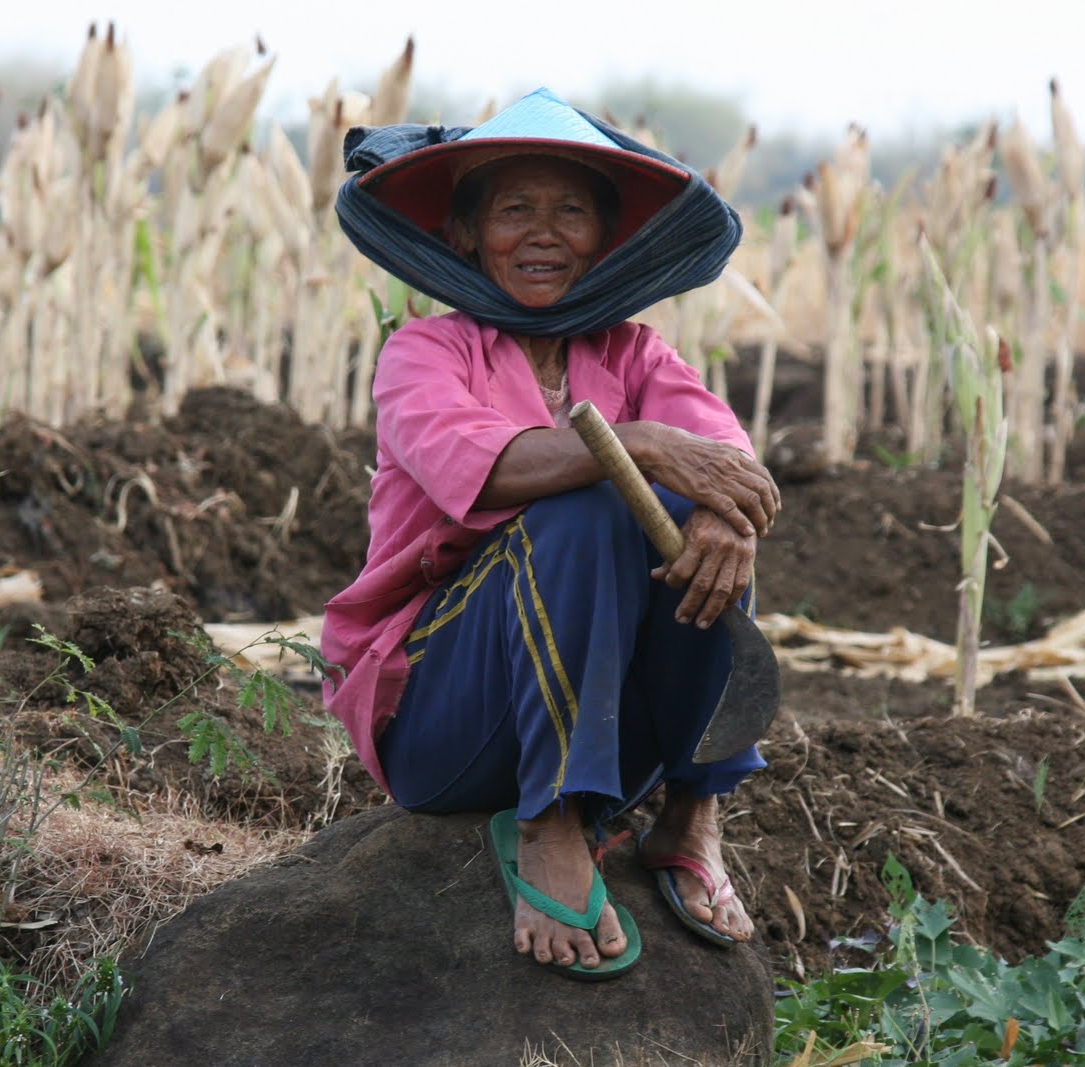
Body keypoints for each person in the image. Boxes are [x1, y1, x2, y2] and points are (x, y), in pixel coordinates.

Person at [325, 88, 782, 979]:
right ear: (465, 234)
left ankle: (693, 812)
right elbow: (487, 469)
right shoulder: (425, 354)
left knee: (705, 521)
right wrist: (640, 444)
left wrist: (725, 512)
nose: (543, 233)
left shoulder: (634, 353)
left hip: (614, 725)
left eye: (570, 211)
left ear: (605, 238)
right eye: (514, 211)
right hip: (445, 714)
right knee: (584, 504)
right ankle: (549, 820)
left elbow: (730, 459)